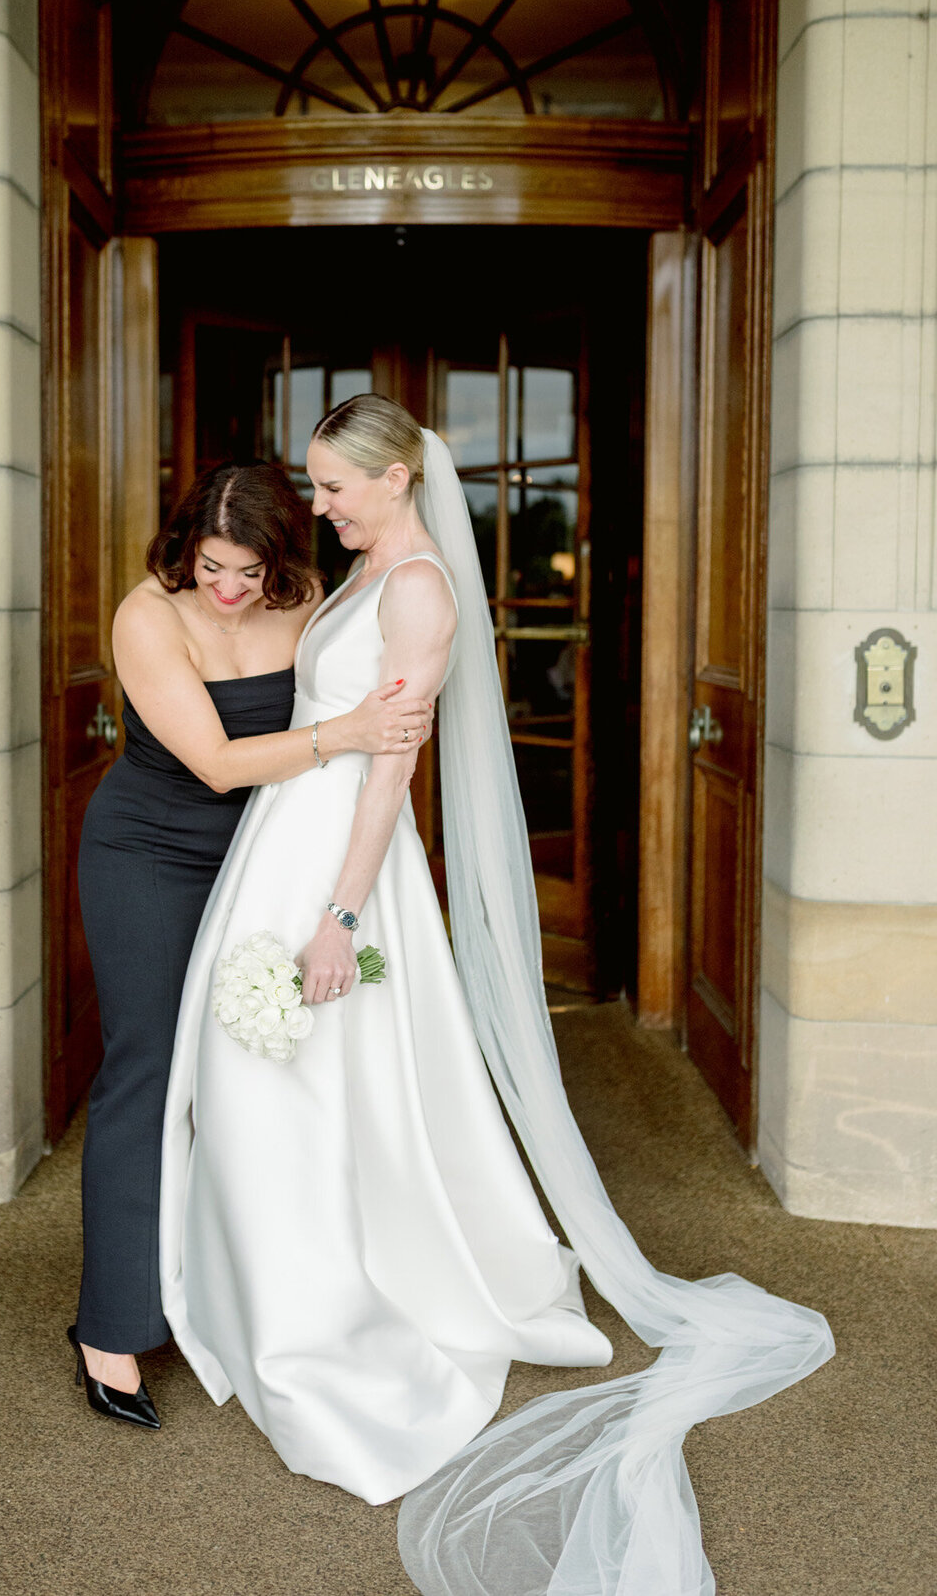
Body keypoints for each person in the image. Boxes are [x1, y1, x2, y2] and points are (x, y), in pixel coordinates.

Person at [160, 399, 833, 1594]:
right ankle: (267, 1289)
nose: (319, 506)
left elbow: (390, 767)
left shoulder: (419, 589)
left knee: (301, 1086)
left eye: (334, 486)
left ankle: (315, 1320)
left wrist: (341, 916)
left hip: (338, 864)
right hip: (283, 837)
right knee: (263, 1081)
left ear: (397, 476)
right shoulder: (365, 574)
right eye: (315, 485)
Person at [70, 460, 431, 1429]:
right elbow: (220, 765)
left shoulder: (308, 599)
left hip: (266, 853)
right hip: (150, 851)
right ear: (184, 550)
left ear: (281, 561)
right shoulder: (148, 614)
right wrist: (352, 732)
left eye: (250, 572)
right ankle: (110, 1326)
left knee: (259, 1073)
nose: (229, 590)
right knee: (149, 1070)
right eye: (211, 567)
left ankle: (255, 1295)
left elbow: (374, 667)